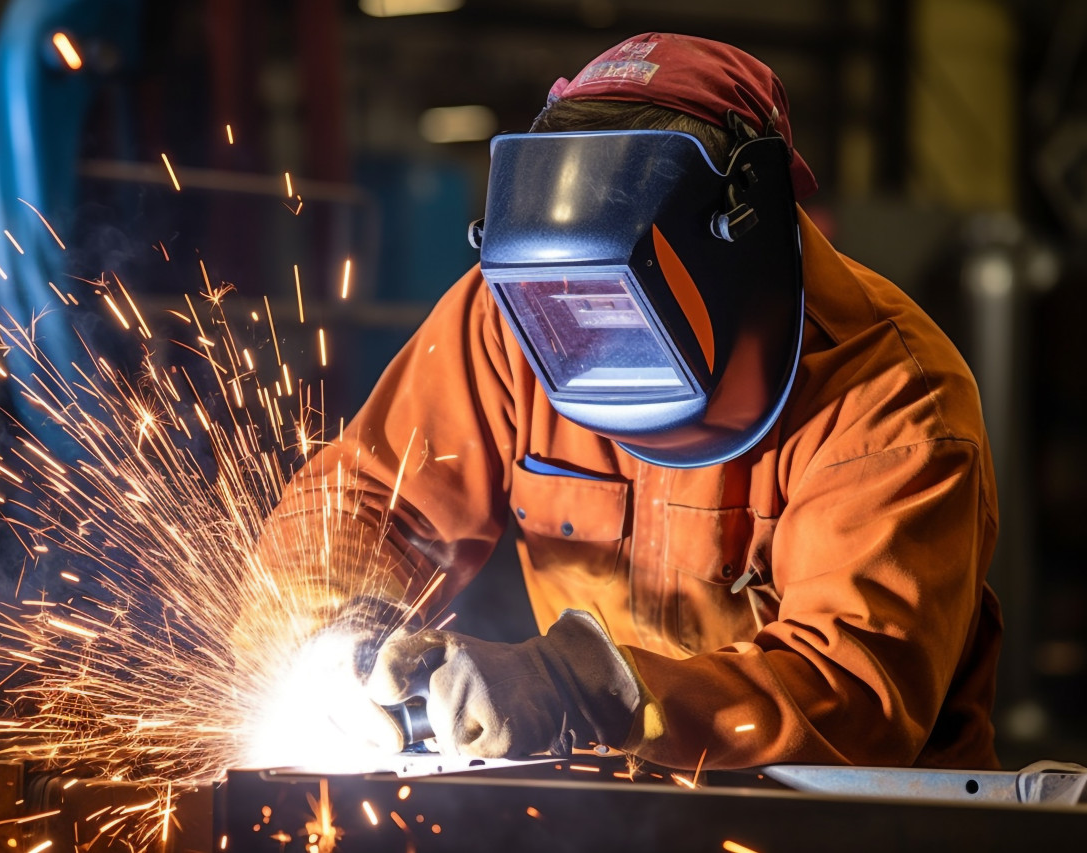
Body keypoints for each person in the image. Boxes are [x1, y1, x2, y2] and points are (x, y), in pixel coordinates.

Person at [261, 32, 1002, 771]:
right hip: (604, 805)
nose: (585, 331)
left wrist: (587, 690)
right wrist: (342, 634)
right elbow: (362, 504)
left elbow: (849, 699)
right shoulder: (510, 315)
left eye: (623, 293)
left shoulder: (894, 396)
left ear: (737, 232)